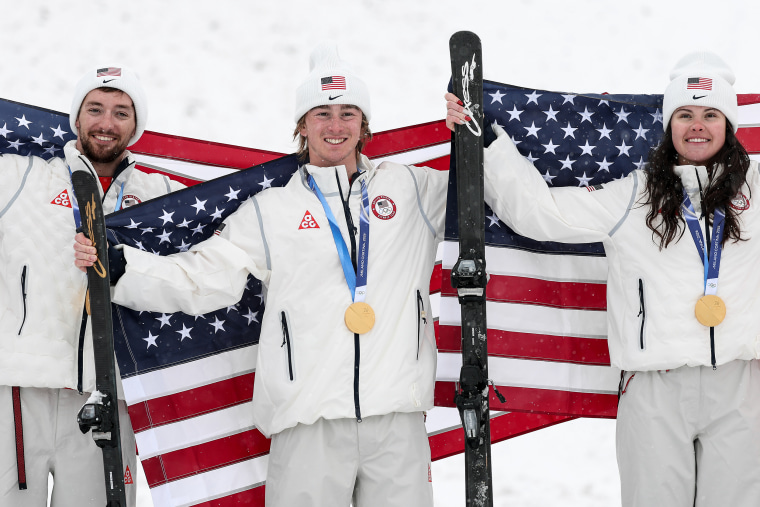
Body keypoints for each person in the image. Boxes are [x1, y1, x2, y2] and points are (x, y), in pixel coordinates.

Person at [75, 44, 446, 507]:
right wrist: (127, 268)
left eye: (348, 113)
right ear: (301, 125)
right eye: (321, 113)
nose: (335, 126)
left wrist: (476, 137)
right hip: (306, 423)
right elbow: (206, 275)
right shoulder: (272, 210)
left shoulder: (412, 190)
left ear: (365, 124)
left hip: (398, 417)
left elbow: (483, 194)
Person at [446, 51, 760, 506]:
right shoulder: (635, 195)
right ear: (669, 124)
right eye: (685, 114)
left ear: (728, 124)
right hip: (655, 387)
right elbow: (543, 213)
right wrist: (487, 145)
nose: (697, 125)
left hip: (740, 385)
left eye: (711, 114)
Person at [0, 66, 184, 507]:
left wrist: (129, 266)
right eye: (95, 109)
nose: (107, 123)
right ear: (76, 118)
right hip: (22, 390)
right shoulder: (19, 176)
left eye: (122, 112)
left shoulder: (162, 194)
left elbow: (196, 276)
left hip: (109, 393)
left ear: (136, 125)